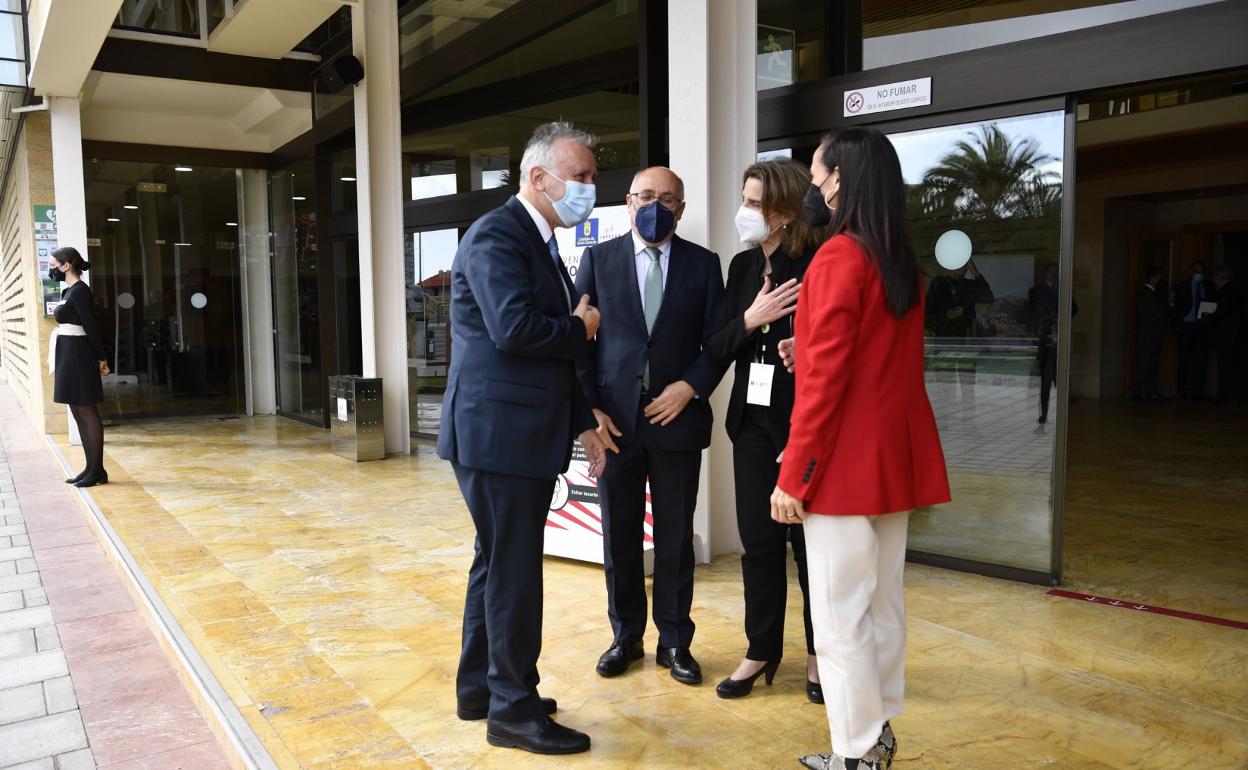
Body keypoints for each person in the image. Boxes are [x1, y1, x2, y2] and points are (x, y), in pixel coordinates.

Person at [770, 128, 951, 770]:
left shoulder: (839, 258)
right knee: (882, 606)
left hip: (843, 468)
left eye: (816, 175)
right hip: (891, 463)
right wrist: (805, 346)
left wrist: (794, 475)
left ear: (841, 177)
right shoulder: (898, 261)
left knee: (840, 616)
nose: (811, 187)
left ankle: (856, 752)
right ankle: (880, 729)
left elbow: (825, 388)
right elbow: (871, 363)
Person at [436, 121, 607, 756]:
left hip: (510, 431)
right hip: (499, 435)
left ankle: (481, 688)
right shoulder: (496, 235)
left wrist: (583, 420)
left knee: (495, 562)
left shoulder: (536, 240)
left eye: (592, 178)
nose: (589, 188)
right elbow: (515, 330)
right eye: (581, 177)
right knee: (512, 572)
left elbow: (541, 353)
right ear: (539, 178)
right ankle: (512, 707)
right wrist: (580, 325)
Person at [575, 166, 726, 687]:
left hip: (678, 421)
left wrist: (690, 387)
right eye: (646, 196)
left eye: (667, 198)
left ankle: (675, 641)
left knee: (675, 538)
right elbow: (579, 344)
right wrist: (590, 412)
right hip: (614, 424)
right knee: (618, 537)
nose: (655, 205)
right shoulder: (597, 259)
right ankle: (625, 637)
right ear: (628, 201)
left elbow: (719, 344)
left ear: (681, 209)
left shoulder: (705, 266)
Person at [705, 159, 822, 702]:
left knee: (810, 549)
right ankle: (761, 650)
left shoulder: (818, 262)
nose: (744, 213)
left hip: (803, 427)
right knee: (758, 544)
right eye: (745, 201)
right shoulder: (742, 268)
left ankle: (821, 657)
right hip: (751, 426)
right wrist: (752, 318)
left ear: (783, 214)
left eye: (754, 205)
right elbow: (718, 344)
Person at [49, 247, 110, 488]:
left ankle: (97, 471)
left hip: (79, 354)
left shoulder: (81, 291)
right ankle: (91, 468)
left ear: (66, 265)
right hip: (68, 352)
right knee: (77, 412)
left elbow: (91, 325)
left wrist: (101, 358)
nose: (51, 269)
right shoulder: (68, 290)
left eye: (54, 264)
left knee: (87, 412)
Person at [1173, 261, 1214, 400]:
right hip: (1186, 326)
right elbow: (1175, 307)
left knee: (1200, 360)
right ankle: (1182, 391)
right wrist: (1177, 325)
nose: (1199, 274)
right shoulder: (1181, 287)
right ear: (1191, 272)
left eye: (1202, 272)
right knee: (1184, 360)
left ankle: (1197, 391)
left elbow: (1212, 303)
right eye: (1197, 271)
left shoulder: (1208, 286)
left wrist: (1206, 317)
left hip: (1201, 327)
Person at [1133, 266, 1168, 403]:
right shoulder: (1146, 293)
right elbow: (1157, 311)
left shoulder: (1150, 292)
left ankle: (1150, 391)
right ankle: (1138, 393)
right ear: (1152, 277)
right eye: (1158, 277)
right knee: (1144, 364)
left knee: (1151, 364)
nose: (1160, 280)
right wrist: (1167, 308)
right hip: (1148, 334)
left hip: (1152, 334)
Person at [1210, 265, 1244, 405]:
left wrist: (1209, 316)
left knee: (1224, 365)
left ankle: (1226, 396)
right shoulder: (1236, 290)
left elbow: (1221, 312)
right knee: (1232, 365)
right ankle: (1233, 395)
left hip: (1224, 334)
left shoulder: (1223, 292)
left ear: (1219, 277)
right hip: (1235, 334)